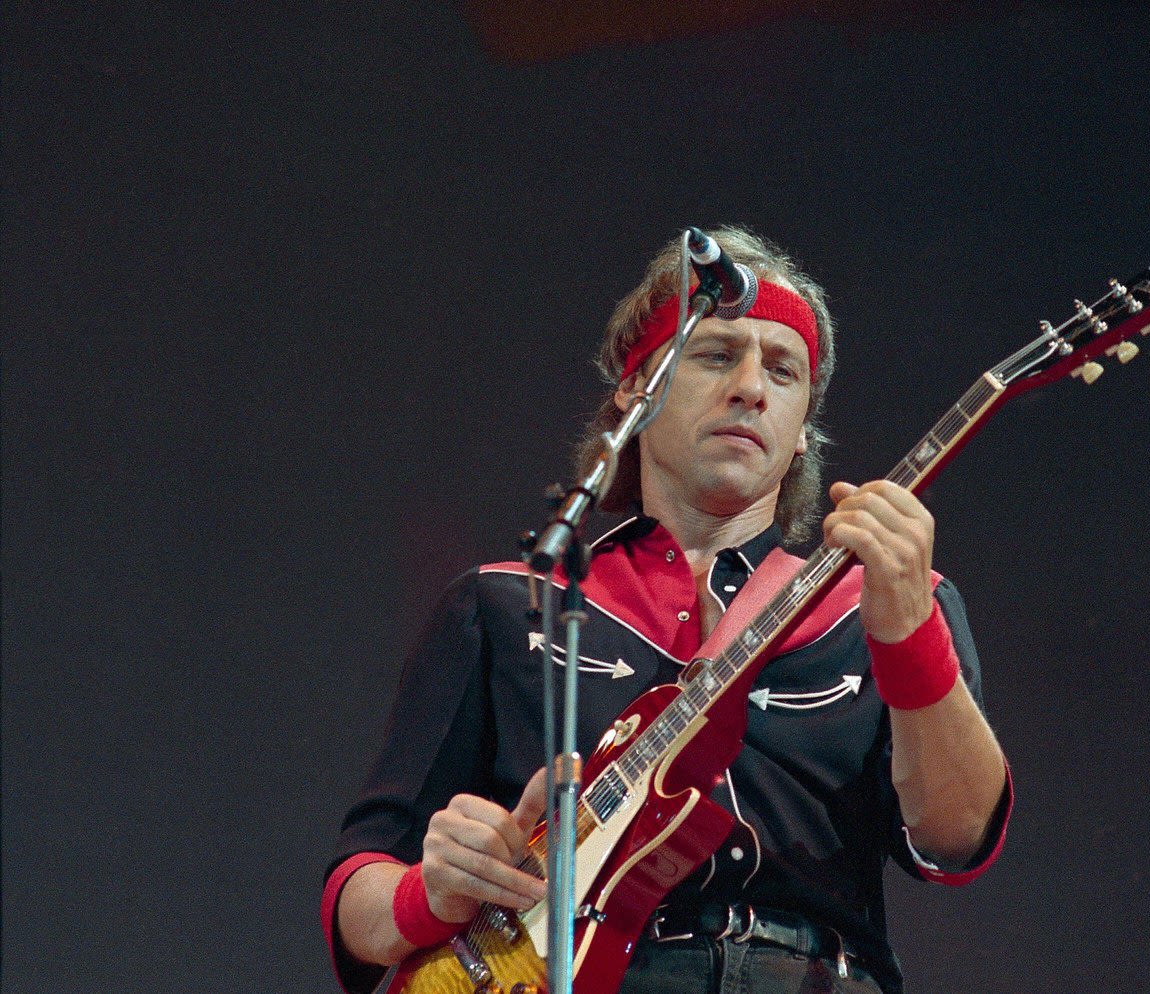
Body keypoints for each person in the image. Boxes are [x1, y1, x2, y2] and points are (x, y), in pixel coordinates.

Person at [321, 227, 1012, 994]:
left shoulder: (879, 600)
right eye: (717, 355)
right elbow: (357, 897)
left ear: (802, 430)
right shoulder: (509, 602)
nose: (751, 386)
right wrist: (430, 891)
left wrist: (910, 630)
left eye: (783, 371)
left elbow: (956, 840)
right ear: (635, 385)